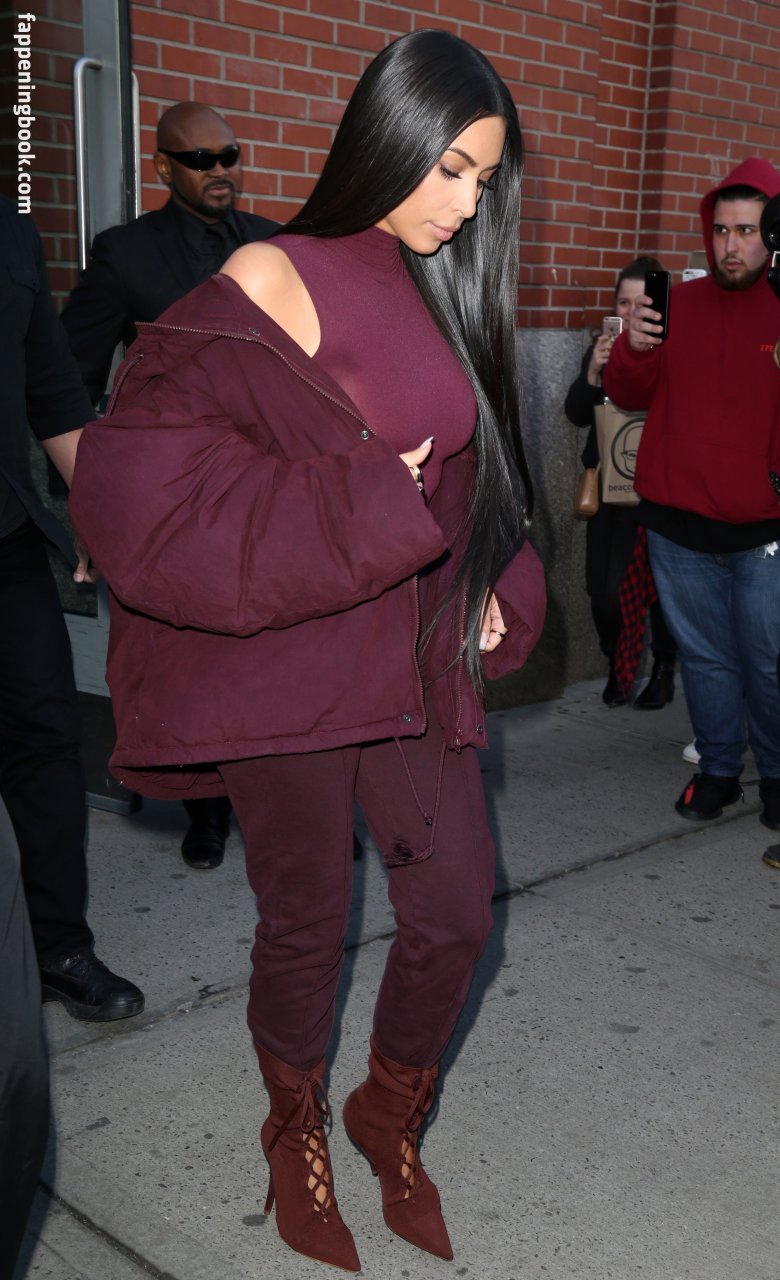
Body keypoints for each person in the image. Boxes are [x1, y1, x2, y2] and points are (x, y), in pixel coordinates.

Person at [70, 29, 546, 1272]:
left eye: (484, 178)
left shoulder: (443, 282)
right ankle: (295, 1130)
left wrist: (487, 579)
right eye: (449, 168)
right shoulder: (276, 272)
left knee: (454, 909)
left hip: (412, 657)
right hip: (289, 668)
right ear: (388, 137)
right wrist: (361, 500)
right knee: (306, 918)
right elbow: (142, 484)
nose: (465, 204)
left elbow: (462, 478)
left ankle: (388, 1109)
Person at [62, 101, 278, 870]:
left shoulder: (273, 243)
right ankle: (207, 808)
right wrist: (91, 504)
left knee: (277, 654)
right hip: (179, 492)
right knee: (195, 660)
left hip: (271, 484)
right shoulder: (126, 254)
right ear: (162, 167)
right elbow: (71, 380)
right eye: (199, 159)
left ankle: (290, 806)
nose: (219, 170)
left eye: (229, 155)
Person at [0, 196, 144, 1029]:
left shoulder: (10, 230)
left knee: (48, 737)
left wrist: (98, 511)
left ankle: (56, 946)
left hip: (6, 535)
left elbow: (54, 393)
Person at [604, 158, 780, 830]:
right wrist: (636, 347)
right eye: (722, 230)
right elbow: (627, 394)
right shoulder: (677, 304)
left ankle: (778, 778)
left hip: (764, 531)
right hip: (677, 529)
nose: (732, 245)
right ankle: (718, 773)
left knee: (767, 664)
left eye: (748, 230)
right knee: (706, 662)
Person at [565, 257, 677, 708]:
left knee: (662, 591)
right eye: (623, 303)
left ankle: (663, 669)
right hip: (609, 491)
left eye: (639, 304)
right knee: (603, 591)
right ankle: (618, 661)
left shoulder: (670, 350)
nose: (630, 313)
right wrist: (593, 372)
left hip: (658, 492)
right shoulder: (603, 348)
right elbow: (576, 413)